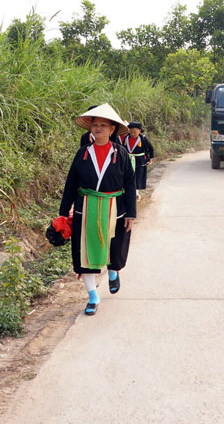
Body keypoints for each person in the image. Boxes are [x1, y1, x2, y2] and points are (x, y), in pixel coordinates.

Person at [59, 104, 137, 316]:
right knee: (84, 253)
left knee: (114, 248)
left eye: (103, 125)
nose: (98, 128)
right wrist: (63, 212)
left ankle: (113, 272)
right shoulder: (83, 153)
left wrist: (131, 213)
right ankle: (93, 297)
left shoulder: (121, 154)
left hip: (115, 209)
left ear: (112, 129)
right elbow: (70, 184)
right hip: (85, 210)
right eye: (95, 125)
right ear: (90, 129)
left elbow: (130, 184)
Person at [124, 122, 154, 198]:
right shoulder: (126, 138)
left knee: (138, 176)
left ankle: (136, 193)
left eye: (135, 132)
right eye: (131, 132)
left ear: (139, 131)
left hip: (139, 161)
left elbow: (151, 149)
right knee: (128, 175)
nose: (133, 134)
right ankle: (128, 191)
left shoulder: (143, 139)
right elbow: (122, 148)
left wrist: (150, 159)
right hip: (128, 160)